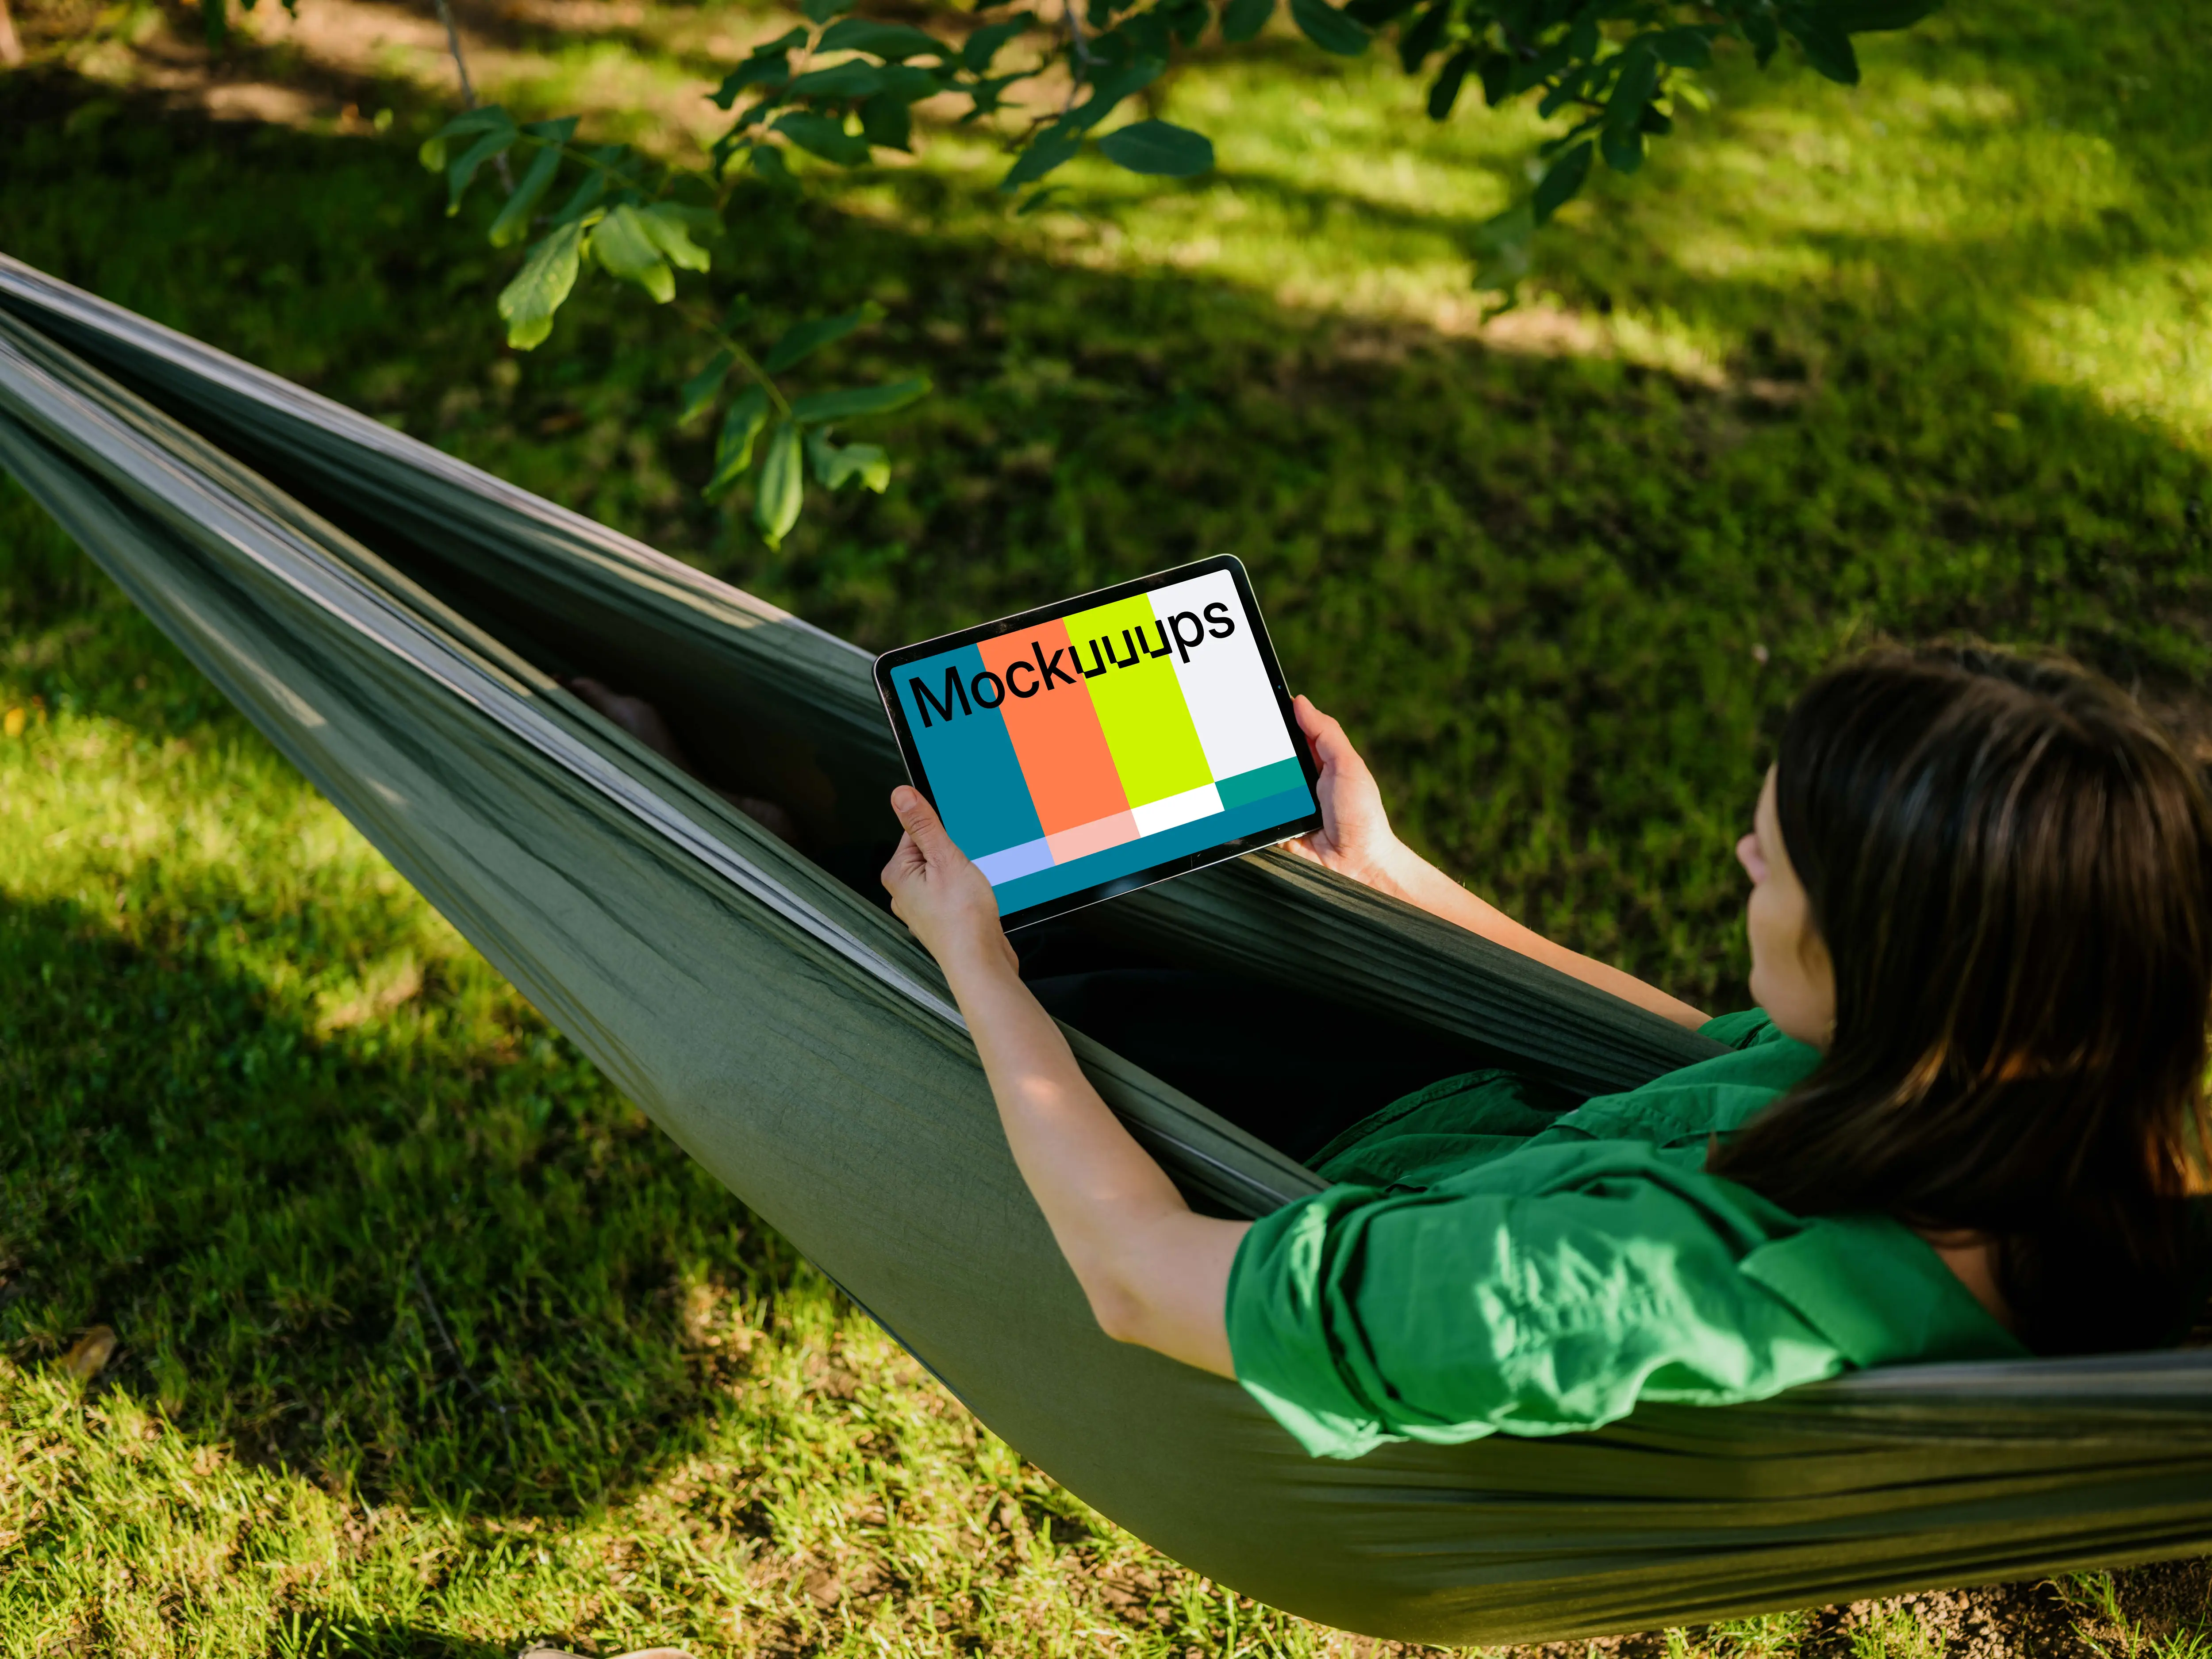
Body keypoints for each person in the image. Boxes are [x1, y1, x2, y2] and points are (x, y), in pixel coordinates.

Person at [877, 646, 2212, 1458]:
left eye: (1779, 858)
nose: (1745, 854)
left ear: (1896, 972)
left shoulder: (1601, 1291)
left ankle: (715, 830)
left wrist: (979, 970)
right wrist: (1400, 879)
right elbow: (1692, 1054)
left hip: (1311, 1193)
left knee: (953, 977)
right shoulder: (2041, 1104)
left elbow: (1136, 1280)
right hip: (1479, 1124)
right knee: (1114, 916)